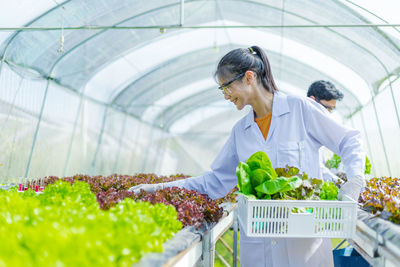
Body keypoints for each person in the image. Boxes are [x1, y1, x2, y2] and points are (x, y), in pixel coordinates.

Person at [129, 46, 366, 267]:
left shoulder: (299, 109)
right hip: (259, 251)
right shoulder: (240, 132)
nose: (225, 96)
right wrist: (157, 188)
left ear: (249, 77)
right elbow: (213, 182)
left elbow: (349, 140)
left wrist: (354, 181)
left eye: (226, 87)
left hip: (303, 249)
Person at [307, 80, 345, 183]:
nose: (328, 114)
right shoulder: (299, 129)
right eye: (326, 108)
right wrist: (339, 183)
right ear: (312, 101)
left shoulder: (319, 130)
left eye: (331, 110)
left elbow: (319, 168)